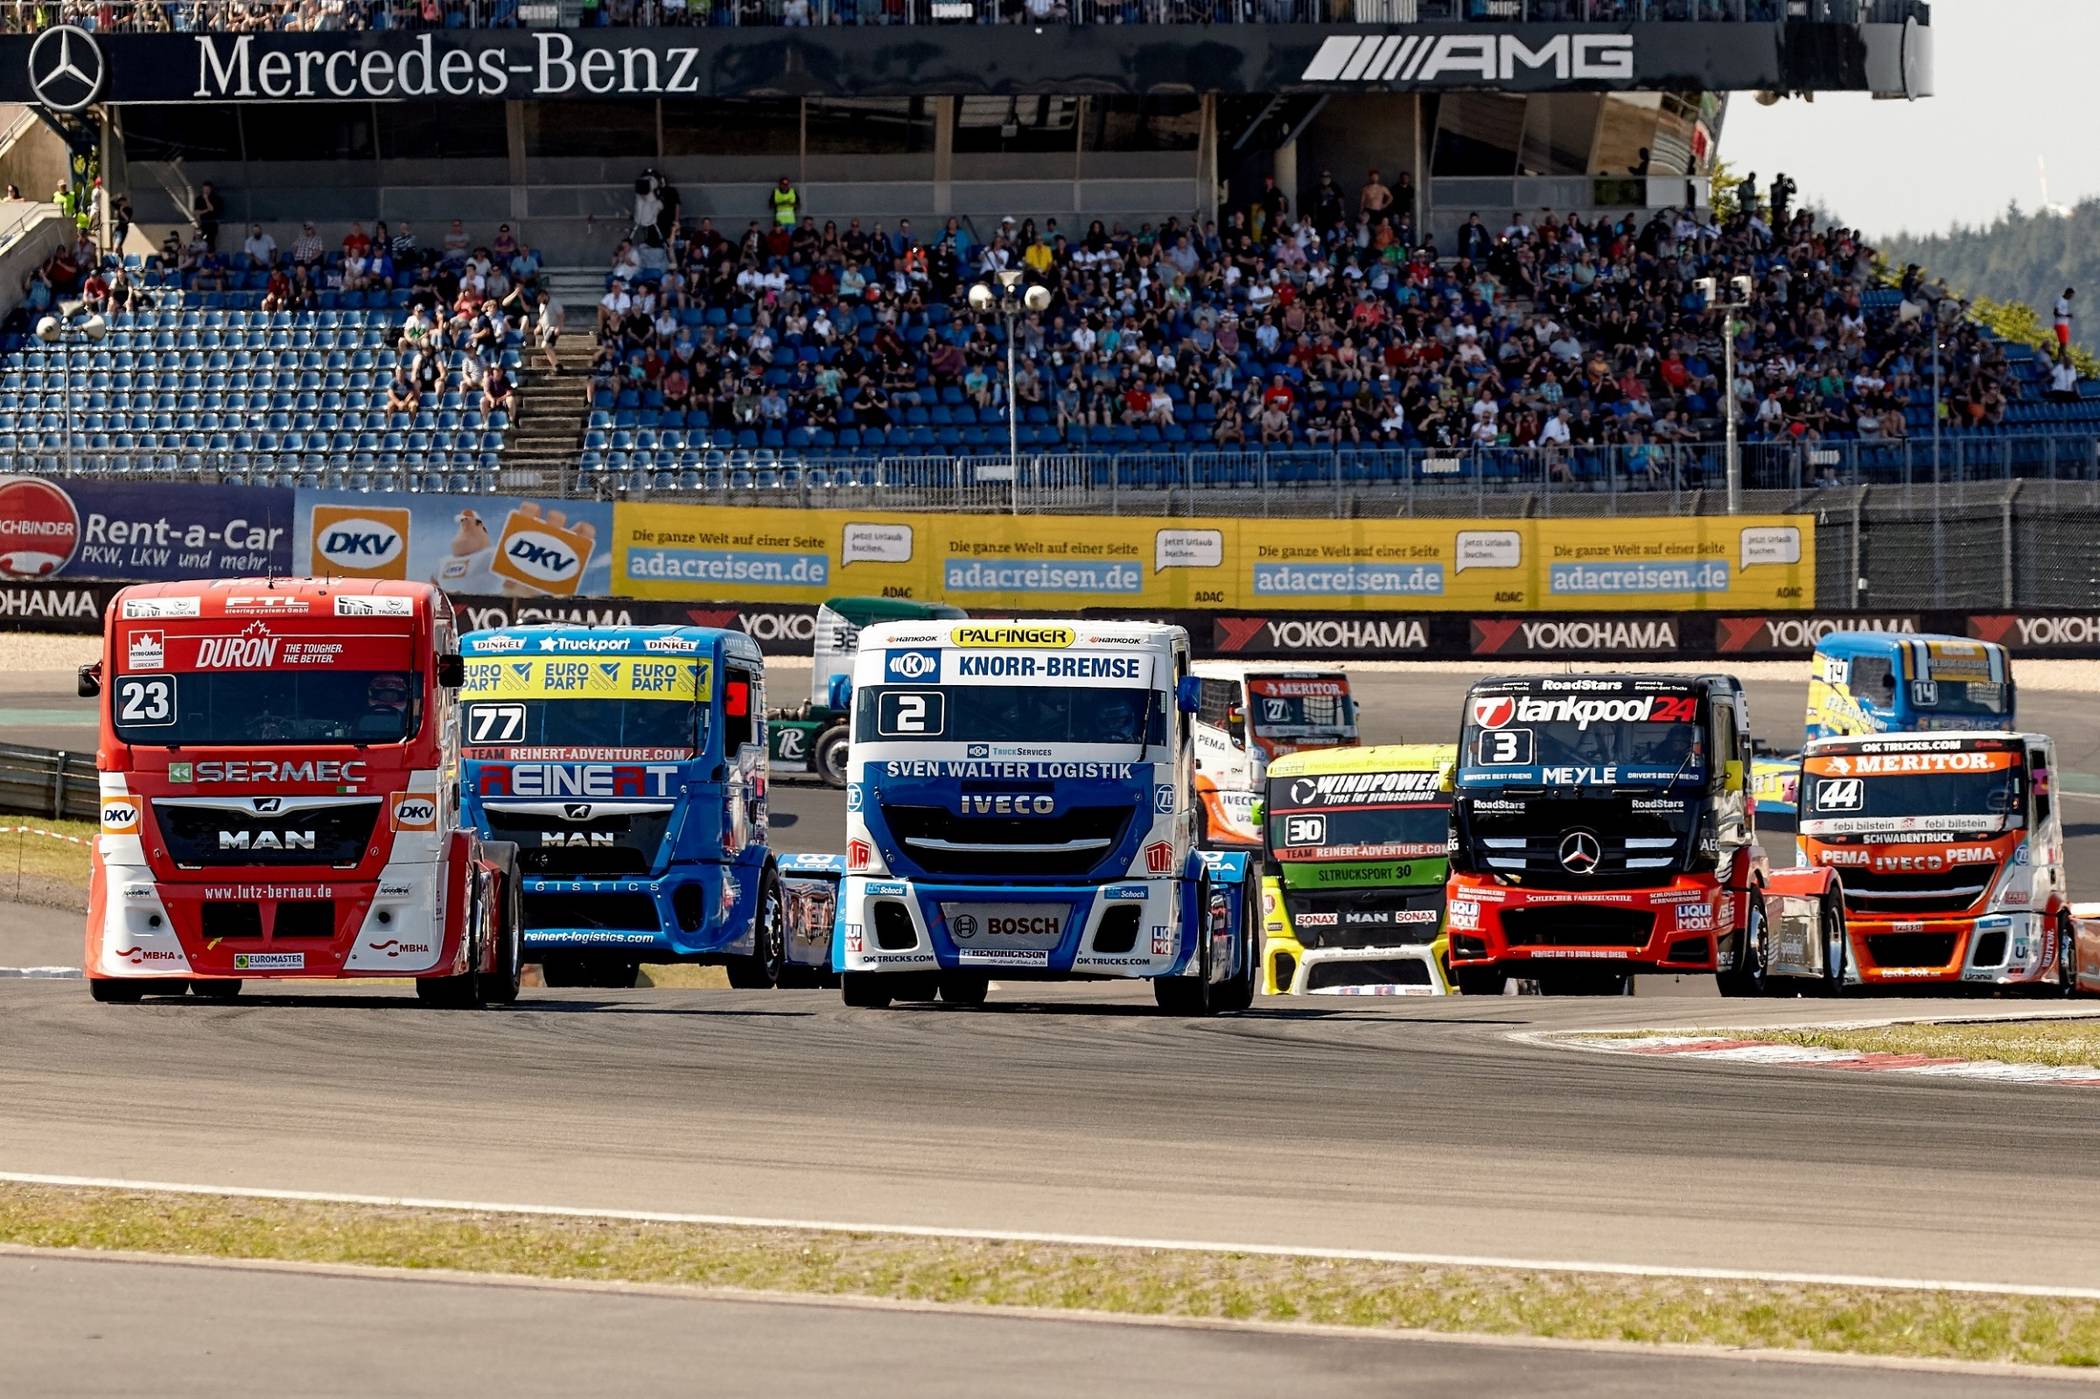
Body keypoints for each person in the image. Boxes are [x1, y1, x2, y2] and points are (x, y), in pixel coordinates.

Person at [356, 674, 411, 740]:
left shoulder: (410, 725)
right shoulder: (361, 720)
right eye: (384, 696)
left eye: (393, 696)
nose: (388, 700)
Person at [192, 181, 225, 251]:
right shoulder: (198, 199)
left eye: (207, 189)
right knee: (197, 240)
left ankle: (209, 256)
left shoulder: (216, 199)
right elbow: (196, 212)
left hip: (212, 224)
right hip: (201, 224)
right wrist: (206, 210)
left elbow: (212, 209)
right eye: (204, 189)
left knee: (210, 241)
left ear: (211, 189)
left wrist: (206, 199)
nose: (205, 191)